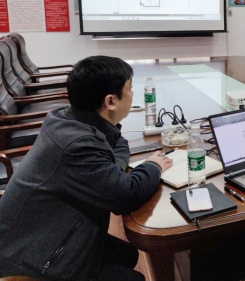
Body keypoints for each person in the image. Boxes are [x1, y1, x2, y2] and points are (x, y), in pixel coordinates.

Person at [0, 56, 173, 281]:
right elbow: (127, 194)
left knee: (127, 254)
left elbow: (118, 142)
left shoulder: (69, 118)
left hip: (52, 232)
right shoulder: (77, 146)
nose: (133, 94)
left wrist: (113, 168)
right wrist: (154, 165)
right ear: (110, 101)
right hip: (30, 262)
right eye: (130, 88)